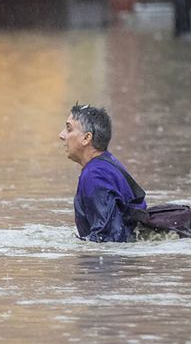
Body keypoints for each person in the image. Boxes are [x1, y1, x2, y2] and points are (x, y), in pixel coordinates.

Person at [59, 103, 146, 242]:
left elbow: (108, 240)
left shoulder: (95, 174)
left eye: (69, 129)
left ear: (87, 138)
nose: (62, 135)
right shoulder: (106, 163)